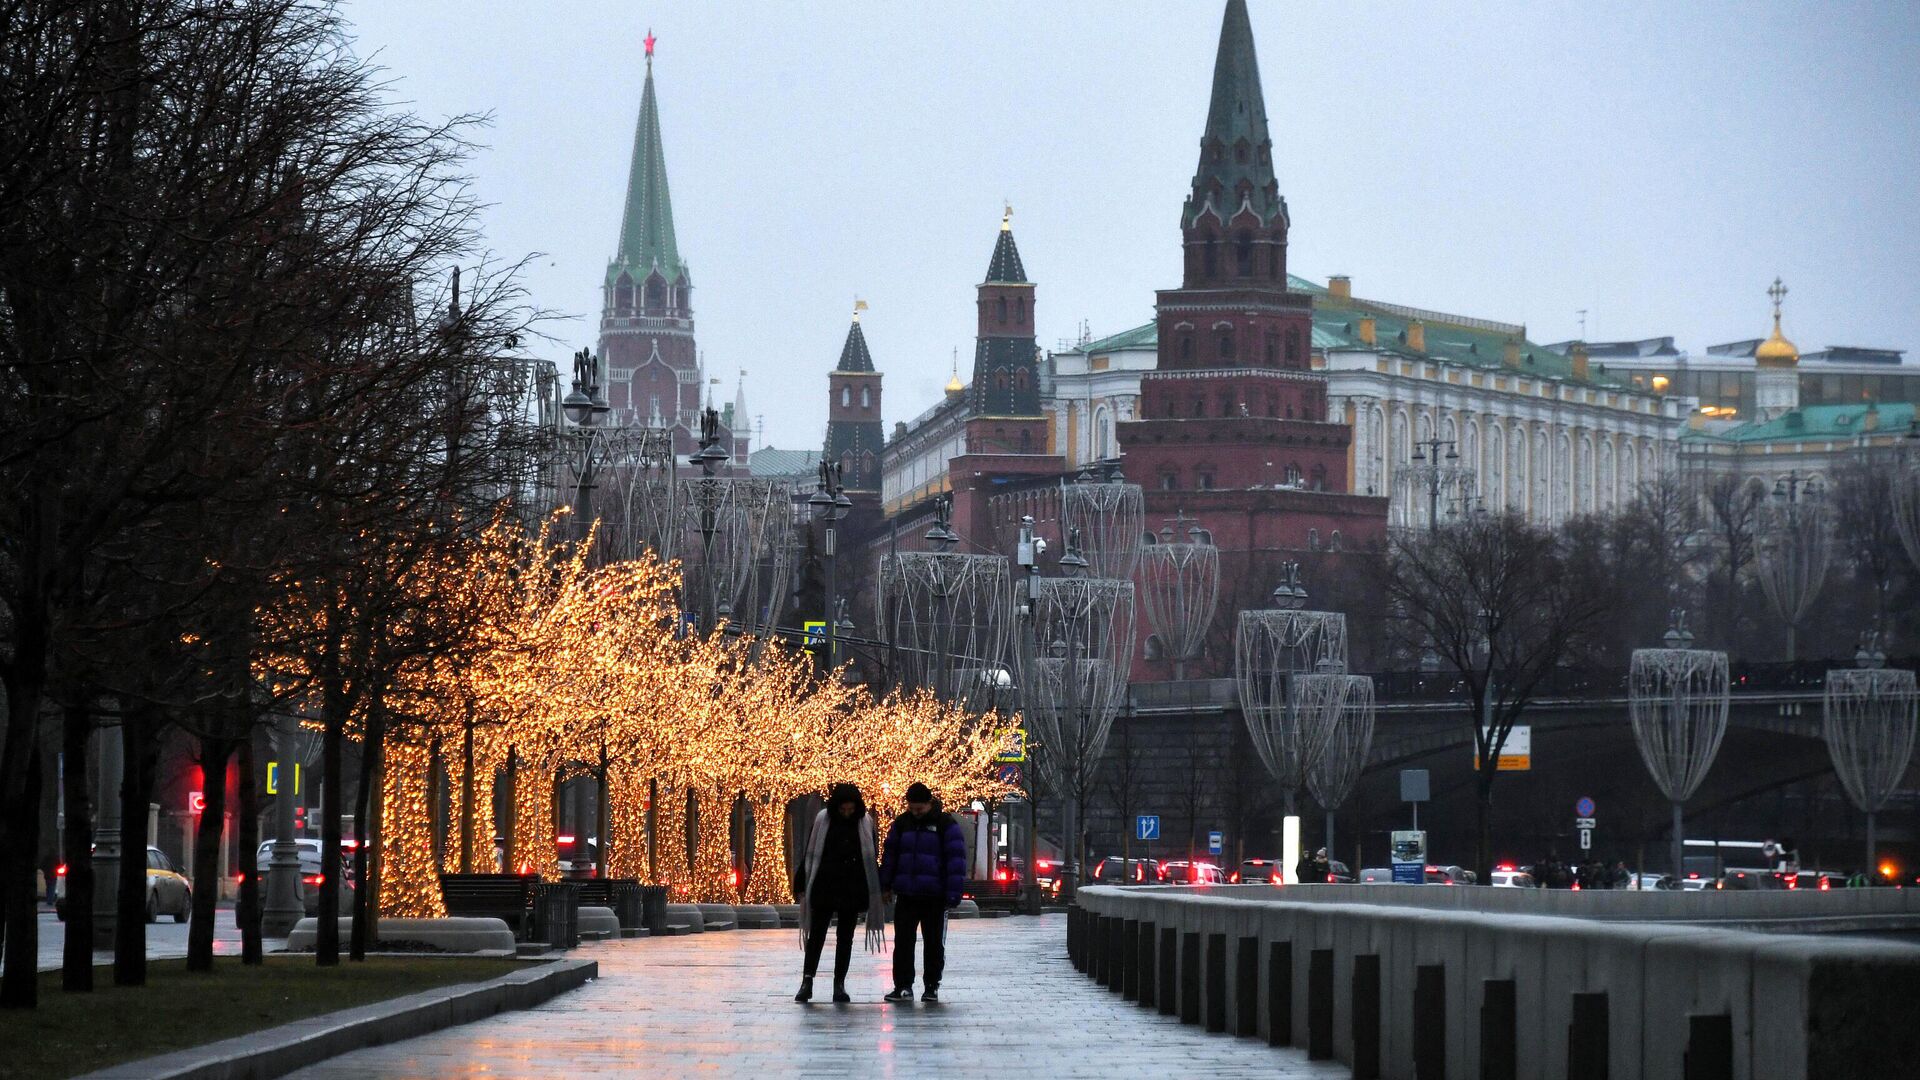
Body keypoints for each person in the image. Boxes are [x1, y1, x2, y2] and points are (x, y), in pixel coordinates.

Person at [794, 783, 886, 1004]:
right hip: (825, 884)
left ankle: (839, 984)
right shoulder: (822, 820)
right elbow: (811, 853)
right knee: (816, 935)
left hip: (851, 886)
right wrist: (801, 882)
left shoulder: (865, 823)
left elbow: (870, 858)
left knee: (846, 938)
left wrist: (876, 887)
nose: (847, 813)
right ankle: (807, 981)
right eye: (843, 809)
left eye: (850, 809)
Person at [879, 781, 967, 1003]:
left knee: (934, 943)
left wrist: (953, 893)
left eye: (920, 808)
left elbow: (956, 861)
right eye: (912, 808)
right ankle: (903, 985)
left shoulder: (945, 824)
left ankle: (931, 986)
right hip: (907, 894)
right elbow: (890, 857)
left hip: (934, 896)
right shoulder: (901, 824)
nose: (916, 812)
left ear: (930, 803)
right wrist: (886, 885)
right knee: (903, 943)